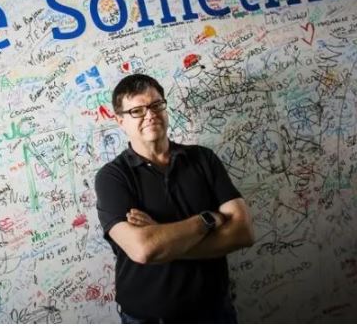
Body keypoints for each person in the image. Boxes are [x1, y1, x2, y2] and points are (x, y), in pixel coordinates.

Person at [95, 73, 255, 323]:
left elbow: (243, 232)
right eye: (137, 111)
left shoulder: (203, 159)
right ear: (120, 121)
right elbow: (144, 249)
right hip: (148, 319)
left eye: (156, 105)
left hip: (215, 311)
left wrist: (163, 240)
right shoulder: (112, 177)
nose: (150, 115)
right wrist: (207, 220)